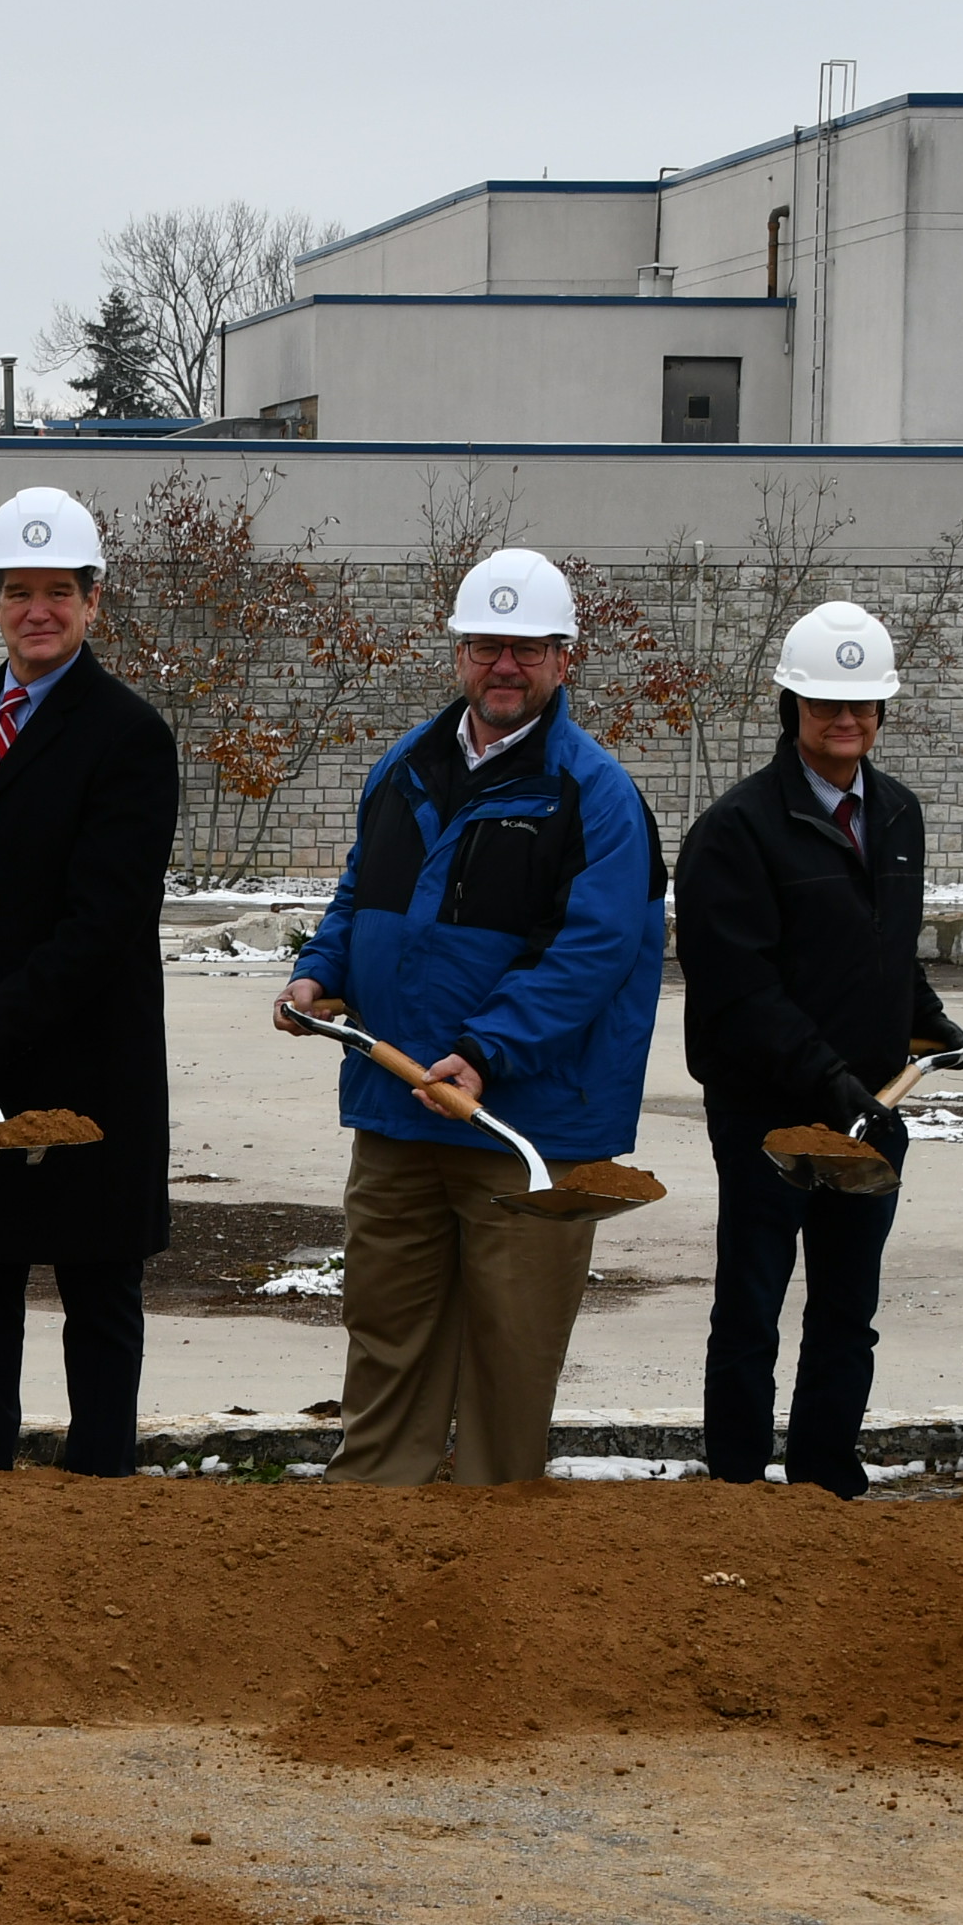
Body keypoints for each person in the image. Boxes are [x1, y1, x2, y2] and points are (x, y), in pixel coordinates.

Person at [278, 549, 666, 1488]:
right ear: (457, 652)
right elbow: (357, 897)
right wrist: (319, 972)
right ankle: (375, 1530)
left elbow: (592, 954)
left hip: (522, 1125)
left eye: (526, 650)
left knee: (510, 1354)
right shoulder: (402, 767)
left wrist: (485, 1054)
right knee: (386, 1336)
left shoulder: (597, 795)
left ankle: (494, 1568)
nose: (504, 666)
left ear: (563, 660)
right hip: (397, 1106)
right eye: (486, 646)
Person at [0, 487, 180, 1475]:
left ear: (96, 602)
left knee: (98, 1294)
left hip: (84, 1063)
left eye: (62, 591)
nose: (39, 610)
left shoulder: (129, 736)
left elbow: (103, 925)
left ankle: (99, 1497)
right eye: (20, 591)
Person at [671, 602, 963, 1497]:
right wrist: (834, 1085)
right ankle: (734, 1485)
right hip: (769, 1116)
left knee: (848, 1313)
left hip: (867, 1114)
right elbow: (741, 994)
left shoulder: (899, 815)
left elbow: (884, 950)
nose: (847, 723)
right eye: (826, 706)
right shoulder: (736, 832)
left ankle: (825, 1483)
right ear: (790, 707)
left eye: (864, 707)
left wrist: (928, 1018)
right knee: (752, 1309)